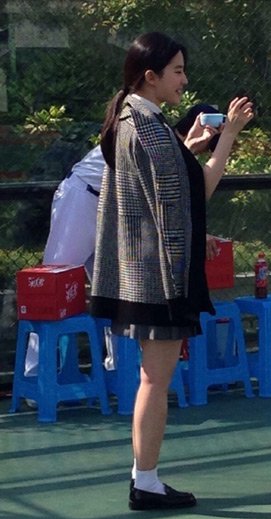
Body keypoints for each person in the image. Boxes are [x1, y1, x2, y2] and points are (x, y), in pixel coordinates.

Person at [90, 32, 253, 511]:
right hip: (158, 277)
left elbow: (163, 183)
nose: (184, 80)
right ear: (151, 76)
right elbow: (193, 193)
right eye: (177, 71)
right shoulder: (148, 127)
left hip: (139, 272)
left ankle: (145, 477)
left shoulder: (131, 119)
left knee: (151, 378)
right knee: (155, 381)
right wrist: (227, 137)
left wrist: (188, 147)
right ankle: (146, 481)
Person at [23, 103, 224, 378]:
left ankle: (119, 370)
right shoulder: (159, 135)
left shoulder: (179, 151)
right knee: (53, 283)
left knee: (118, 294)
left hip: (115, 210)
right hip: (83, 198)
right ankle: (34, 374)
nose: (204, 150)